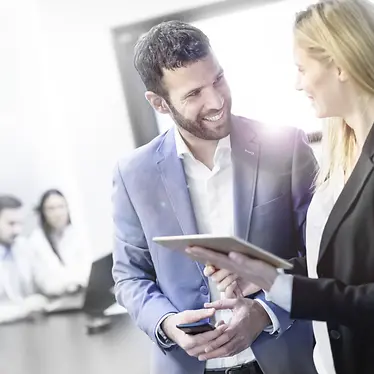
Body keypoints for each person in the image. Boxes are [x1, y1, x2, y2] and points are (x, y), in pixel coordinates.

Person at [112, 20, 318, 374]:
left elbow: (319, 256)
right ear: (159, 103)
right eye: (193, 94)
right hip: (188, 365)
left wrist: (267, 311)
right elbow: (130, 276)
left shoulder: (286, 147)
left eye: (218, 79)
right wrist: (167, 325)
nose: (217, 100)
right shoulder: (134, 173)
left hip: (285, 357)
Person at [187, 1, 374, 374]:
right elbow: (335, 263)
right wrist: (260, 271)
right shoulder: (342, 148)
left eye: (302, 68)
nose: (297, 83)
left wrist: (278, 285)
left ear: (339, 64)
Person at [29, 189, 92, 296]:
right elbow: (47, 284)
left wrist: (75, 281)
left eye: (61, 207)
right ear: (43, 213)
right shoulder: (36, 241)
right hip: (55, 299)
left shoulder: (76, 233)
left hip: (82, 294)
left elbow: (87, 270)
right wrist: (73, 282)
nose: (57, 213)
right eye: (51, 209)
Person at [0, 195, 49, 324]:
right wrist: (23, 309)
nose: (17, 230)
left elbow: (43, 279)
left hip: (27, 327)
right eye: (11, 224)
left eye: (20, 223)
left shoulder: (23, 246)